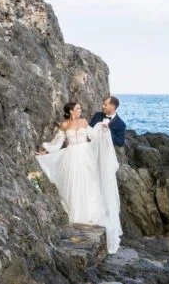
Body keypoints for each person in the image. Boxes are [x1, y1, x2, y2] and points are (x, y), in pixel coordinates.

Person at [35, 101, 122, 254]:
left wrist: (103, 130)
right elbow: (57, 143)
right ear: (71, 111)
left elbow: (93, 136)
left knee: (88, 184)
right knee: (73, 185)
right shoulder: (64, 125)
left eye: (80, 108)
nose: (80, 110)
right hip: (70, 157)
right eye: (78, 108)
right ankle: (75, 214)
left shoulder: (84, 122)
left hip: (85, 156)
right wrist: (45, 151)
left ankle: (89, 214)